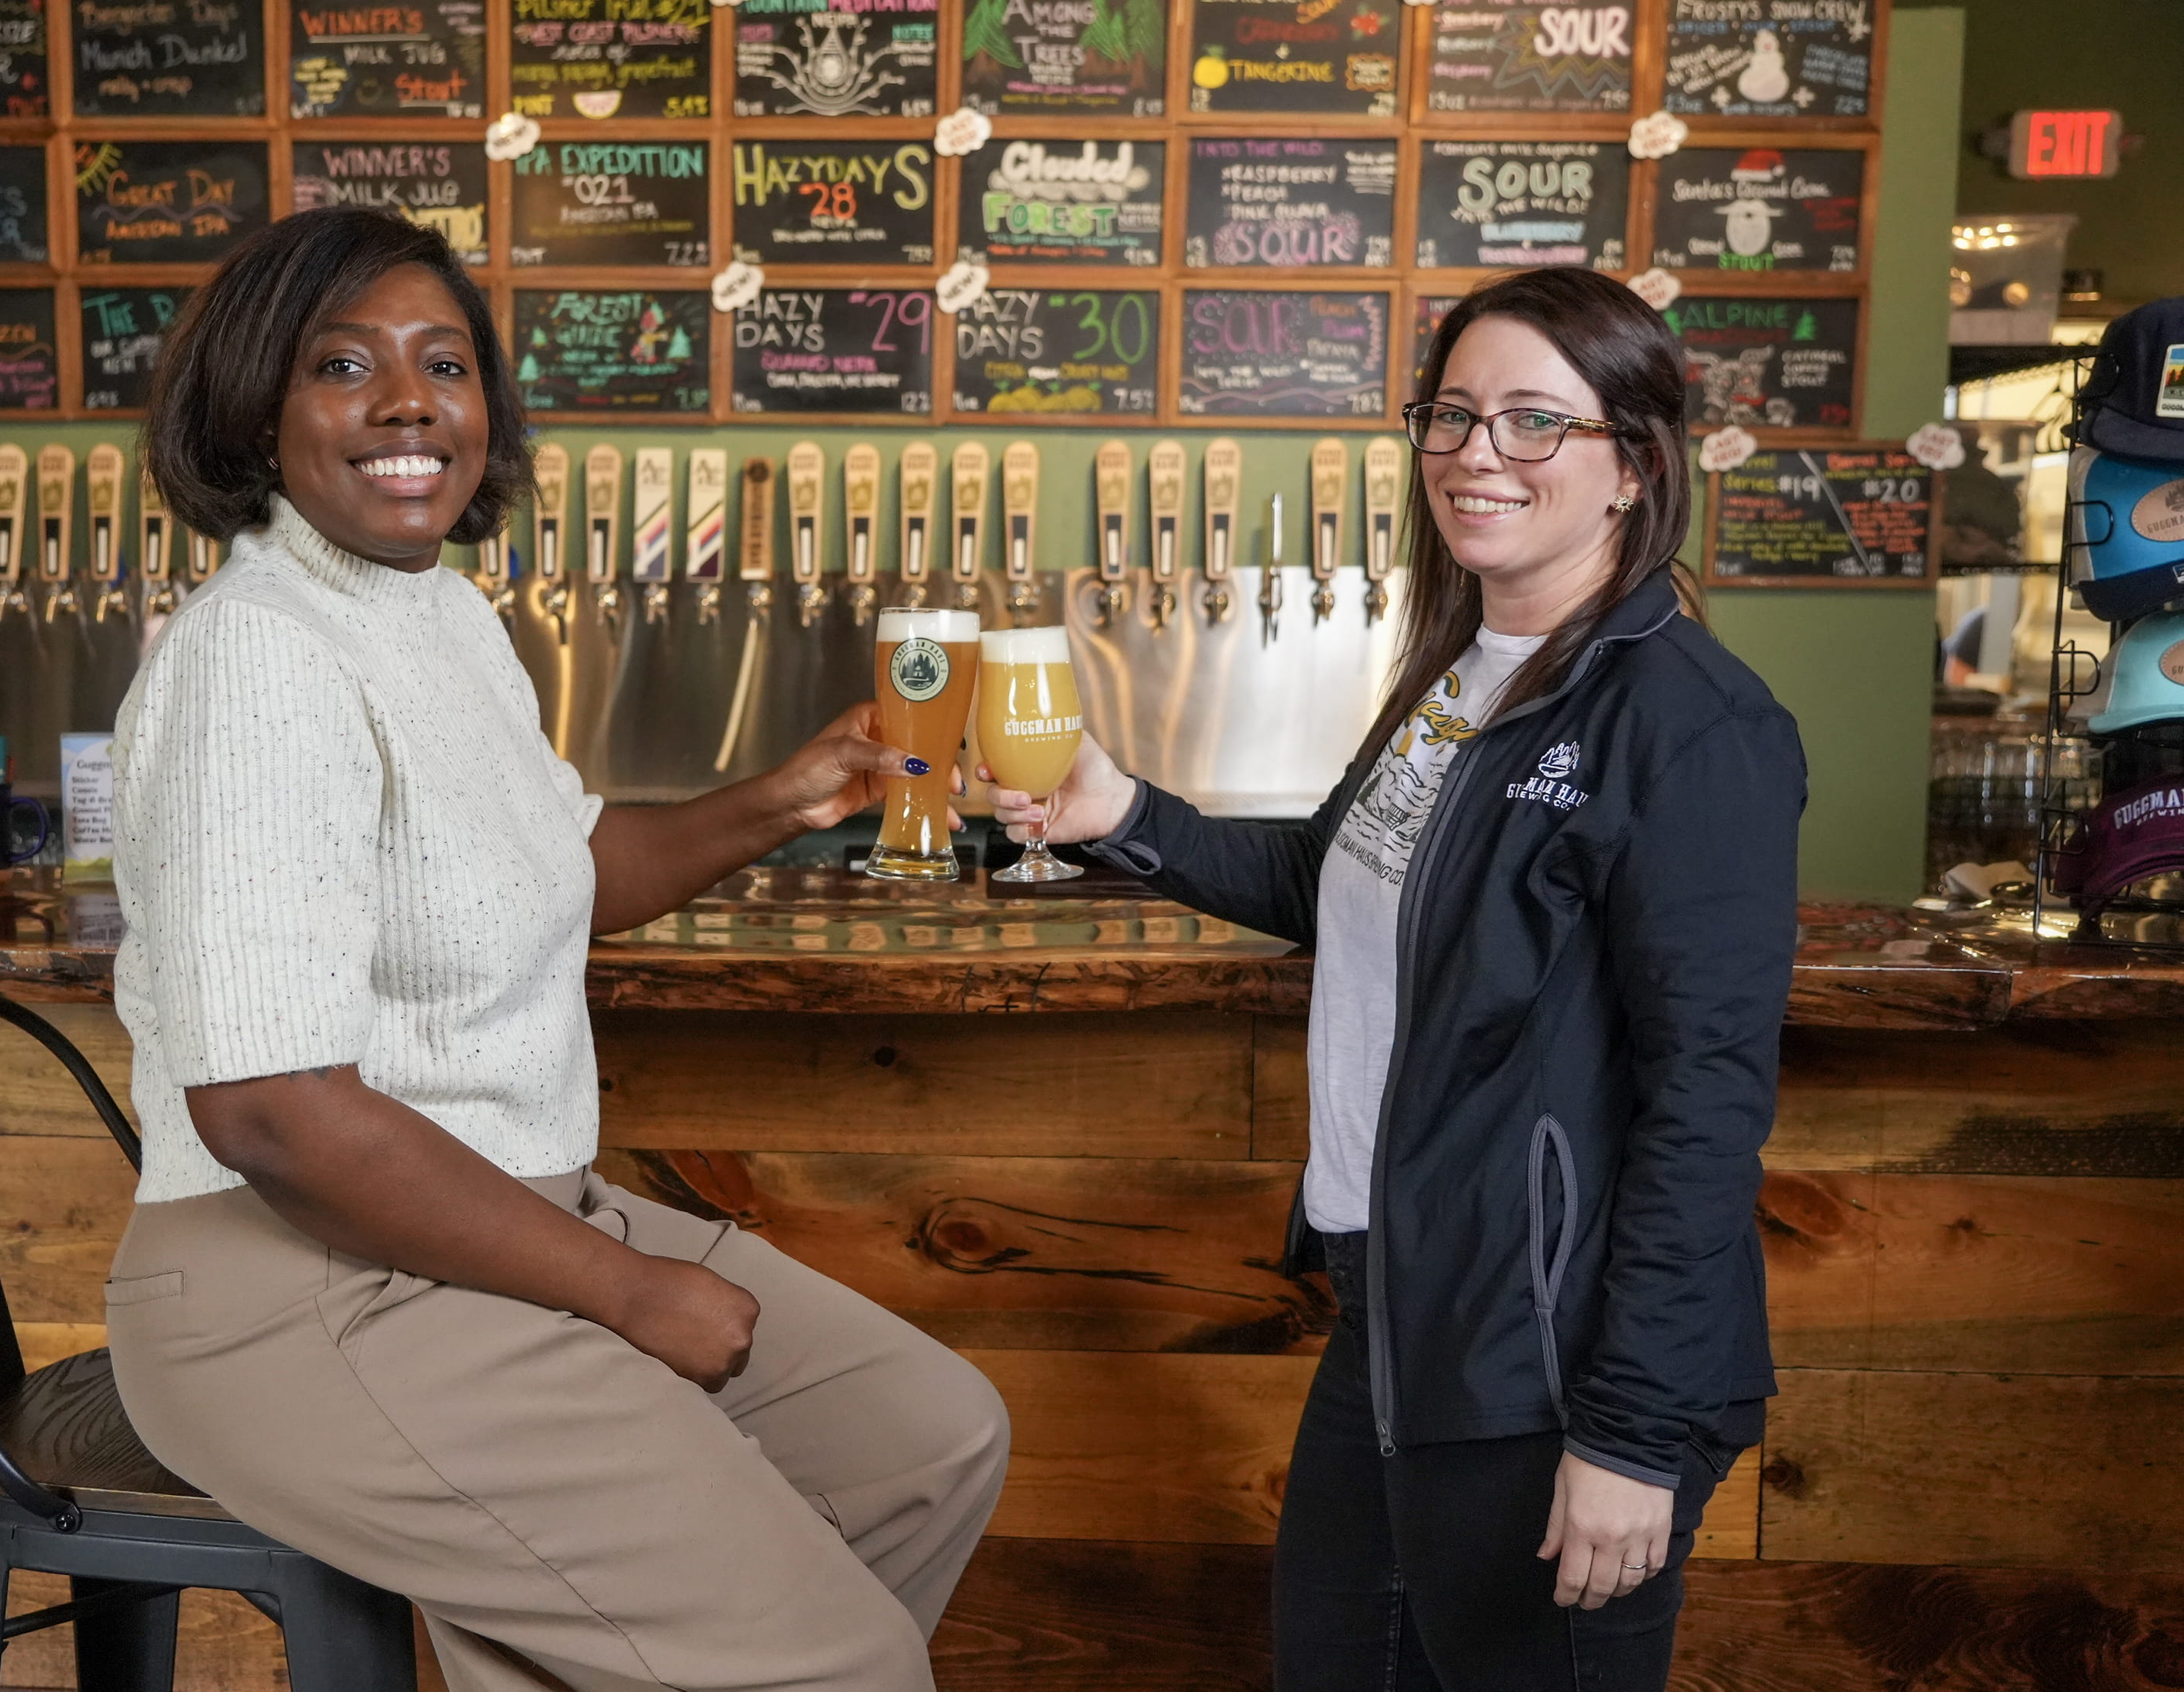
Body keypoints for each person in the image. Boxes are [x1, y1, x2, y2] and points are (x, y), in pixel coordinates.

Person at [102, 207, 1008, 1692]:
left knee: (926, 1437)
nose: (409, 403)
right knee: (837, 1665)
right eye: (345, 365)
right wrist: (624, 1287)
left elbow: (561, 868)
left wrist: (789, 795)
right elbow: (265, 1109)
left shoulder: (439, 614)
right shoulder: (258, 660)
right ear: (259, 417)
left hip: (492, 1225)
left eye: (443, 365)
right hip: (309, 1289)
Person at [985, 267, 1803, 1691]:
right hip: (1403, 1311)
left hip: (1551, 1354)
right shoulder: (1465, 673)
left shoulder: (1690, 724)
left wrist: (1629, 1432)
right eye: (1454, 415)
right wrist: (1125, 819)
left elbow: (1708, 1103)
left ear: (1632, 465)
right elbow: (1350, 888)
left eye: (1537, 423)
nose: (1479, 454)